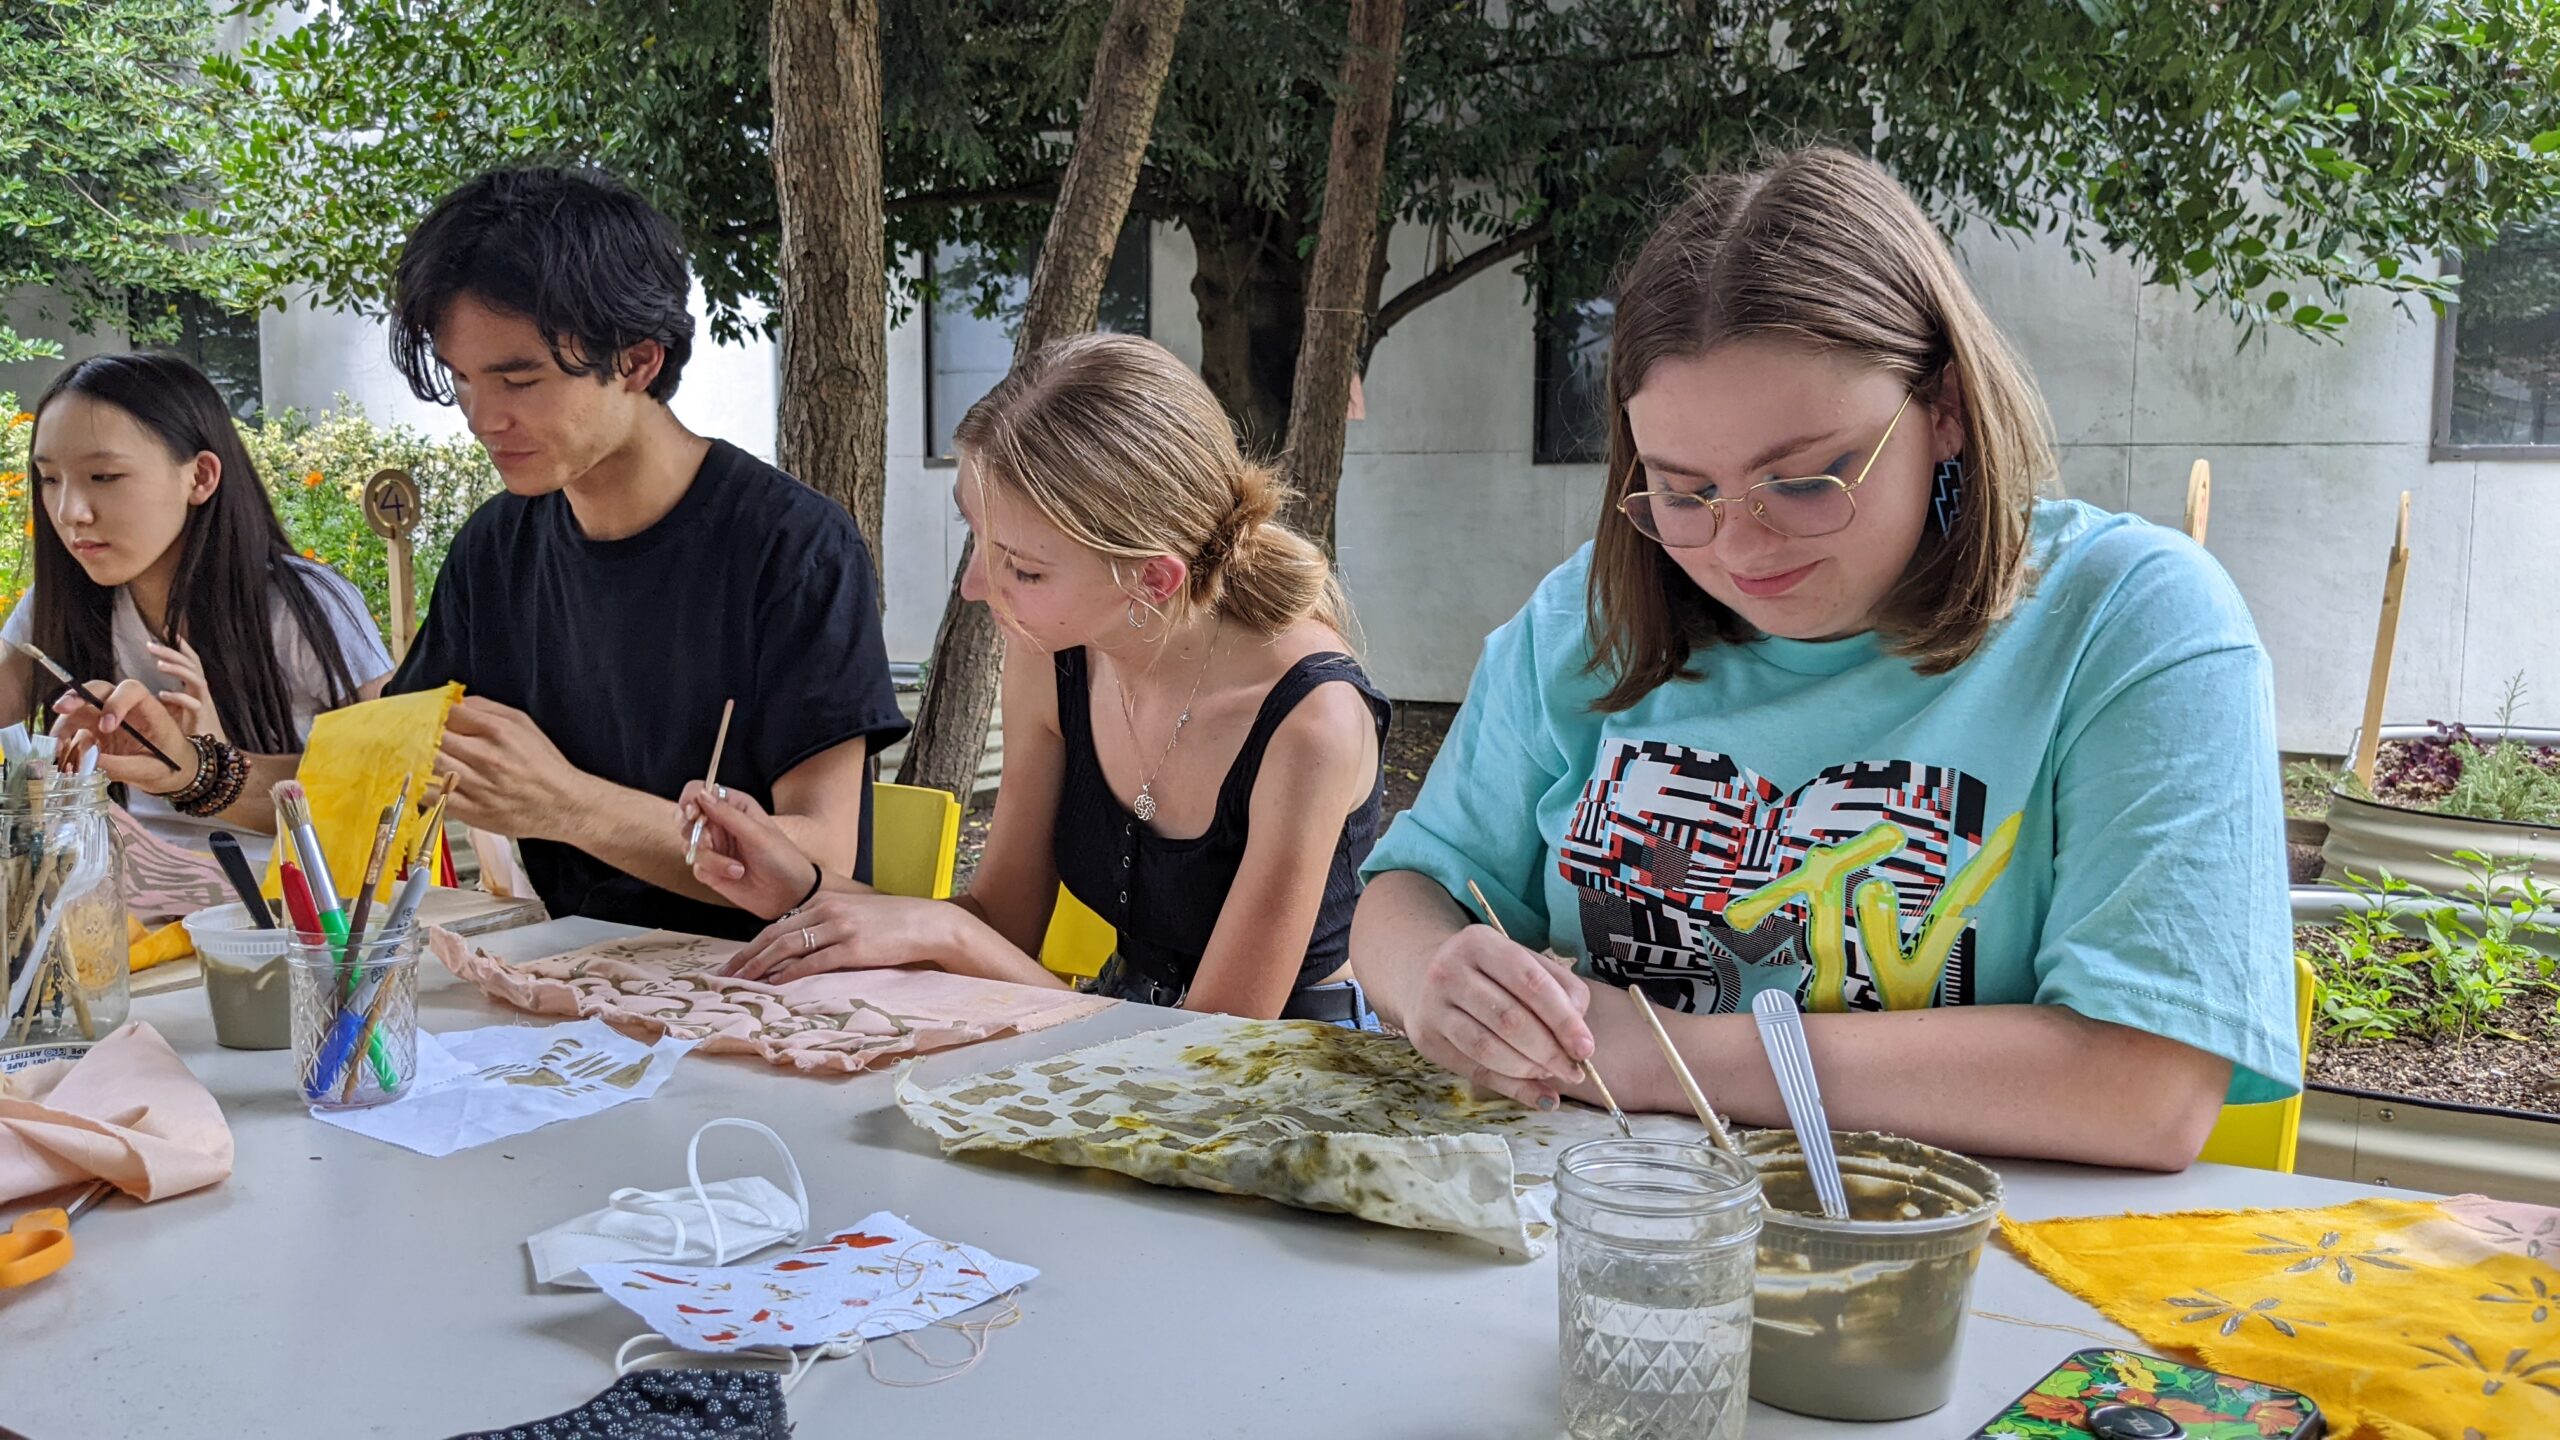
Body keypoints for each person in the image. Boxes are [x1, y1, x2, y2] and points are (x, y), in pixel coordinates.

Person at [1349, 147, 2300, 1170]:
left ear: (1941, 408)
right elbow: (1405, 898)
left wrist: (1661, 1058)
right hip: (1595, 1236)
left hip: (1974, 1263)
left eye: (1802, 480)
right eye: (1680, 490)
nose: (1739, 548)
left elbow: (2144, 1089)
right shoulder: (1583, 622)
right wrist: (1435, 975)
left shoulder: (2131, 618)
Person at [682, 333, 1392, 1024]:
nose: (974, 586)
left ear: (1152, 579)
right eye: (976, 537)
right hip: (1118, 1037)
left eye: (1023, 568)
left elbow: (1208, 1047)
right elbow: (1004, 923)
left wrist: (946, 934)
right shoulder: (1055, 653)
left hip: (1283, 1076)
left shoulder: (1311, 721)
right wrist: (804, 885)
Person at [382, 167, 907, 939]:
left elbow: (823, 859)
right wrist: (198, 774)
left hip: (767, 991)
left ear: (636, 361)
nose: (483, 419)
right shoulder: (496, 549)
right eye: (463, 382)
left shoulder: (793, 547)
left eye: (519, 379)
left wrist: (563, 802)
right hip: (569, 984)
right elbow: (380, 767)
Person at [19, 352, 392, 861]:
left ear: (200, 477)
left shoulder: (299, 606)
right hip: (125, 906)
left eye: (103, 476)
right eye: (49, 479)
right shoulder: (62, 604)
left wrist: (206, 769)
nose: (70, 512)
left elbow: (391, 788)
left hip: (293, 913)